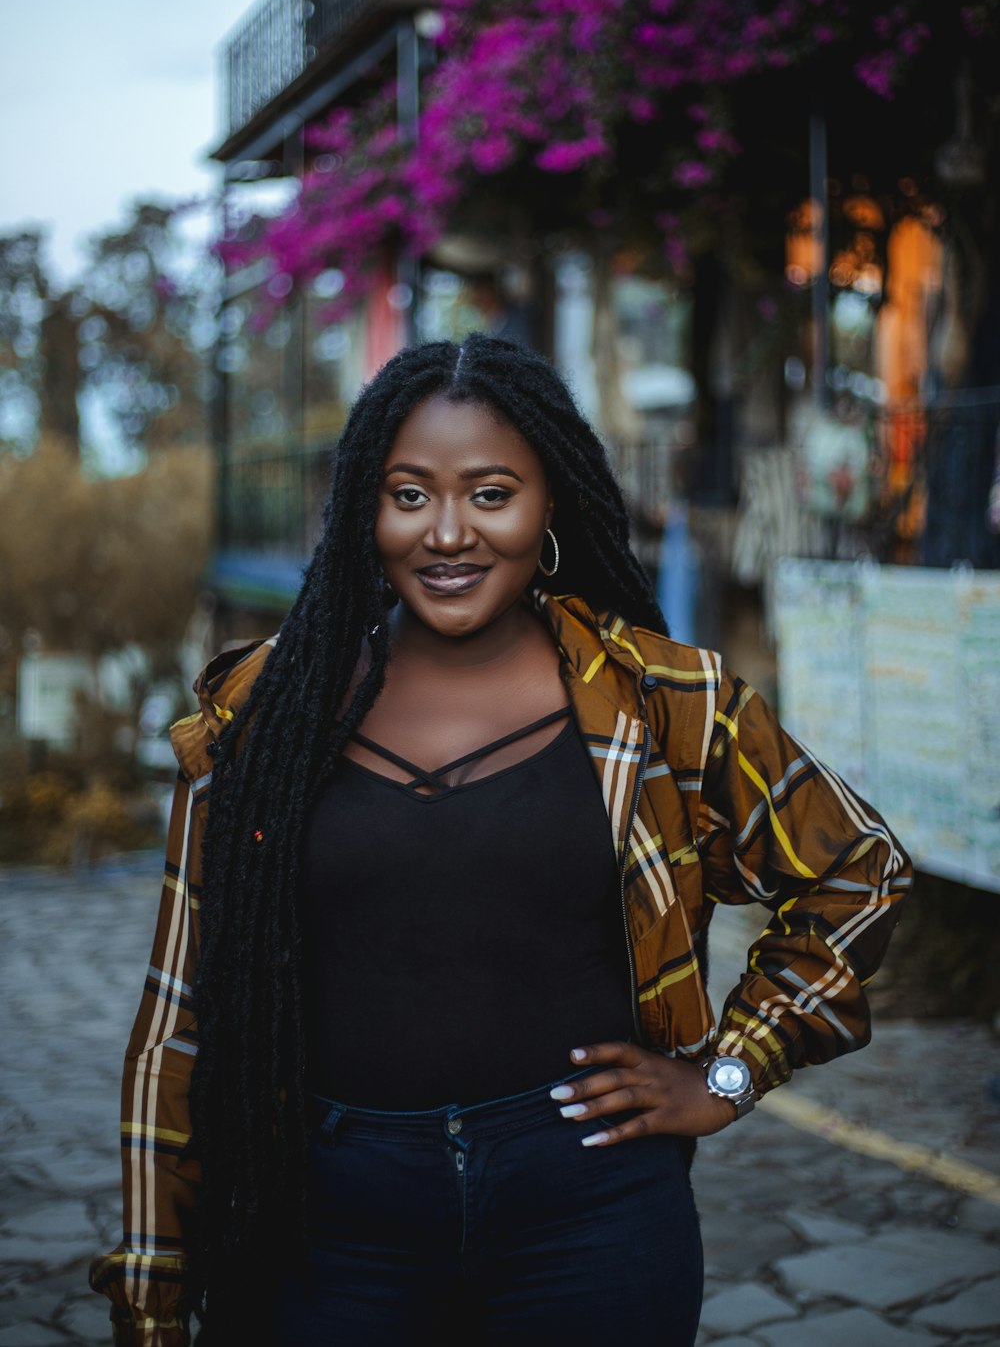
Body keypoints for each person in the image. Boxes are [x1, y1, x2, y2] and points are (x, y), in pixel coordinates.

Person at [91, 335, 912, 1346]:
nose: (445, 533)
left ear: (550, 502)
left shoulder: (666, 704)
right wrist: (153, 1290)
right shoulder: (265, 715)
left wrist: (727, 1075)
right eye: (408, 495)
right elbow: (180, 1018)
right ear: (365, 508)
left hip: (589, 1215)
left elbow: (856, 870)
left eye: (490, 493)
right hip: (324, 1216)